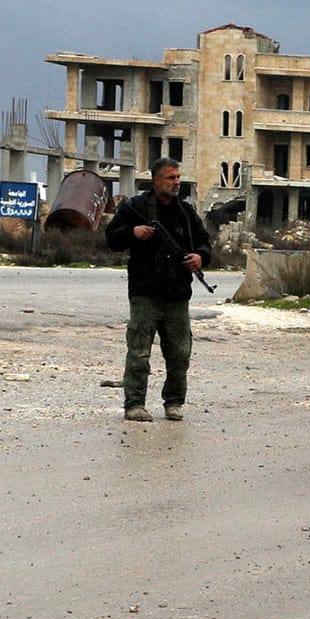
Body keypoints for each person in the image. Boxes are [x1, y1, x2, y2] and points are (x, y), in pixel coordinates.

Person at [104, 156, 212, 422]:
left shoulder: (185, 213)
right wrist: (134, 233)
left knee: (179, 354)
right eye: (171, 178)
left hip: (177, 295)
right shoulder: (135, 207)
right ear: (156, 181)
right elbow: (112, 238)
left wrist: (200, 257)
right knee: (139, 352)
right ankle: (134, 405)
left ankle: (174, 402)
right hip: (145, 293)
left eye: (178, 178)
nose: (177, 183)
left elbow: (204, 243)